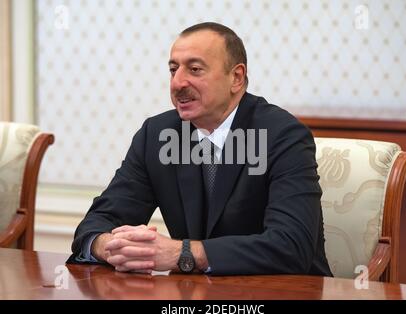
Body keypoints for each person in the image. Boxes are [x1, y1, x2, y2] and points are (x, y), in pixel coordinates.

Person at [67, 22, 332, 277]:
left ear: (236, 78)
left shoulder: (282, 136)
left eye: (194, 70)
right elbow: (97, 222)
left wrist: (182, 253)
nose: (177, 83)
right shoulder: (157, 135)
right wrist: (110, 247)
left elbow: (291, 246)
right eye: (173, 70)